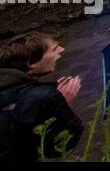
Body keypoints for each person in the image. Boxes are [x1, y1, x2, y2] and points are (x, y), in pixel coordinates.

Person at [0, 32, 83, 162]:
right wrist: (58, 105)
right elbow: (60, 145)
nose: (62, 50)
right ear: (31, 63)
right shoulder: (42, 97)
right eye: (54, 49)